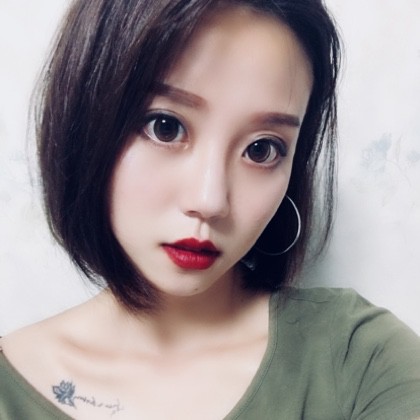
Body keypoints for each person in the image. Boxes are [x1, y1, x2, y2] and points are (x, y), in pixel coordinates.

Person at [1, 0, 420, 418]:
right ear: (87, 119)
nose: (210, 200)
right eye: (166, 127)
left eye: (262, 149)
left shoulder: (360, 360)